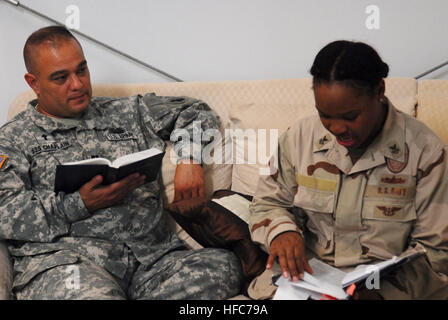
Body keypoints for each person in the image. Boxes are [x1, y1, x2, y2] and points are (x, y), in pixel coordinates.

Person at [0, 26, 243, 300]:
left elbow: (194, 110)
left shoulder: (128, 112)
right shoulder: (13, 139)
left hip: (152, 261)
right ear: (33, 83)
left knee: (224, 268)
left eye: (82, 70)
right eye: (61, 77)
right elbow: (5, 211)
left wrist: (190, 159)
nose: (78, 84)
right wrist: (79, 203)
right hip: (73, 263)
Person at [249, 40, 448, 299]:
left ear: (379, 91)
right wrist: (282, 231)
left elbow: (436, 251)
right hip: (306, 281)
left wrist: (380, 294)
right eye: (325, 115)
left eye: (351, 117)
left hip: (382, 287)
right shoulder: (299, 137)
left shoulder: (426, 152)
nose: (336, 128)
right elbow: (266, 203)